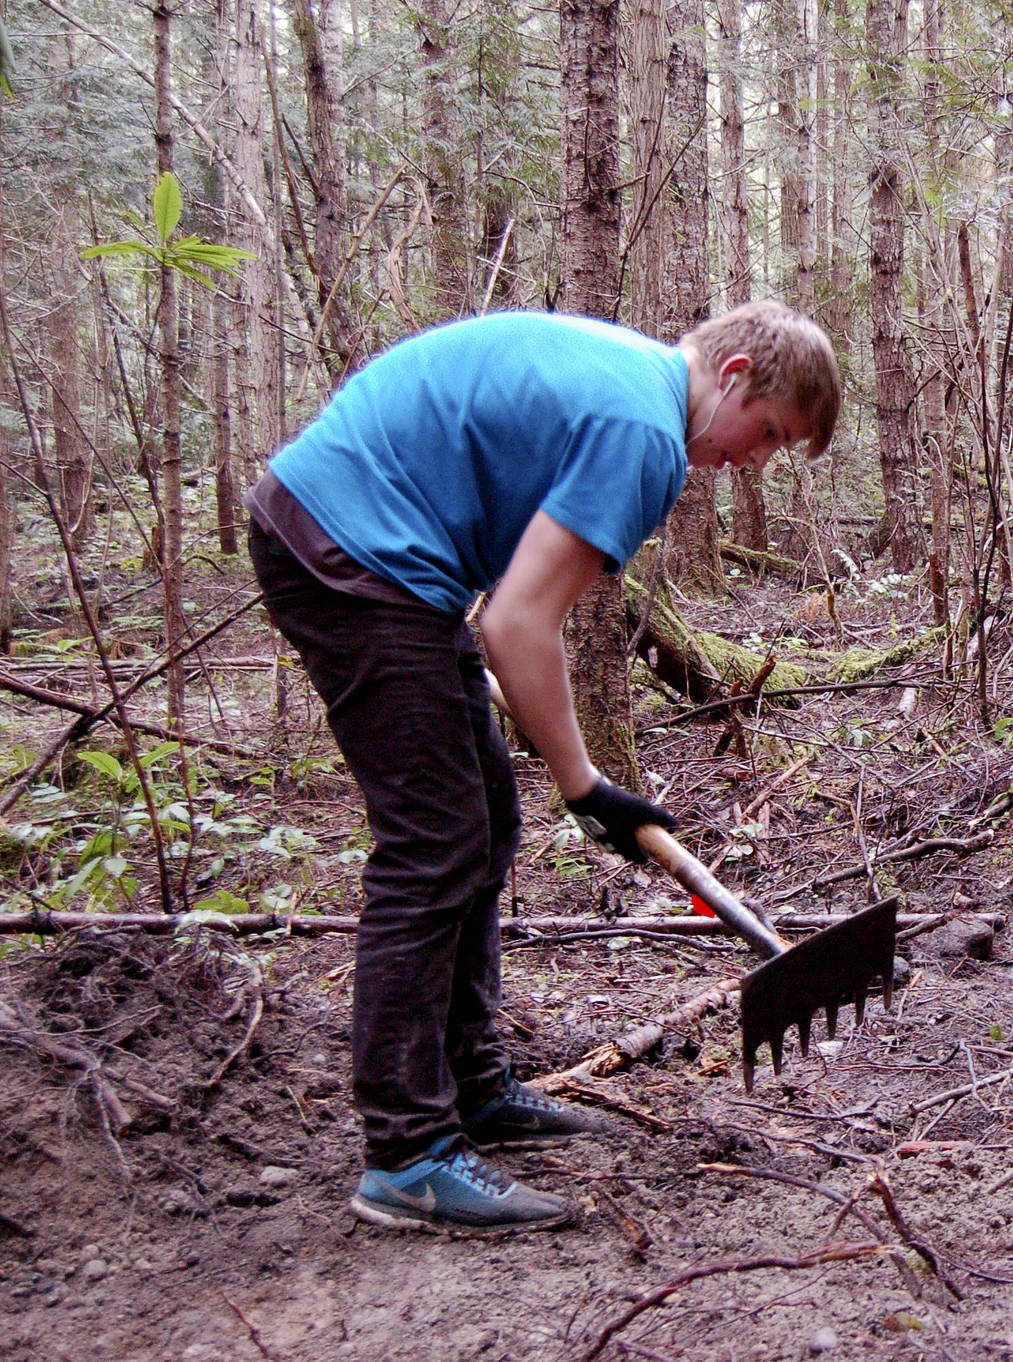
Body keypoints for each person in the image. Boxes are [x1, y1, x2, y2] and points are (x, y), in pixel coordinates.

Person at [245, 301, 839, 1235]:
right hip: (353, 551)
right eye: (766, 433)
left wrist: (575, 783)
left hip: (370, 545)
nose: (753, 461)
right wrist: (584, 784)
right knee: (434, 844)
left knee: (480, 815)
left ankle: (473, 1090)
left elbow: (509, 603)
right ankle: (405, 1156)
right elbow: (517, 622)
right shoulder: (641, 431)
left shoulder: (631, 383)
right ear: (731, 378)